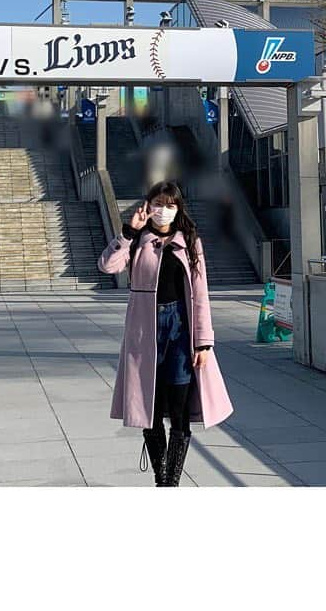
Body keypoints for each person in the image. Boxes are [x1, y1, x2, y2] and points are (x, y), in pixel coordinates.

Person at [98, 181, 234, 486]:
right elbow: (107, 266)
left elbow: (201, 293)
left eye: (170, 205)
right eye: (158, 203)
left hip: (180, 330)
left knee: (179, 409)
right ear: (148, 206)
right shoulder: (137, 241)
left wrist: (204, 342)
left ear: (178, 209)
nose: (164, 211)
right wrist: (128, 233)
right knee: (149, 409)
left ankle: (169, 482)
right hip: (145, 332)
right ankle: (161, 474)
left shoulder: (190, 242)